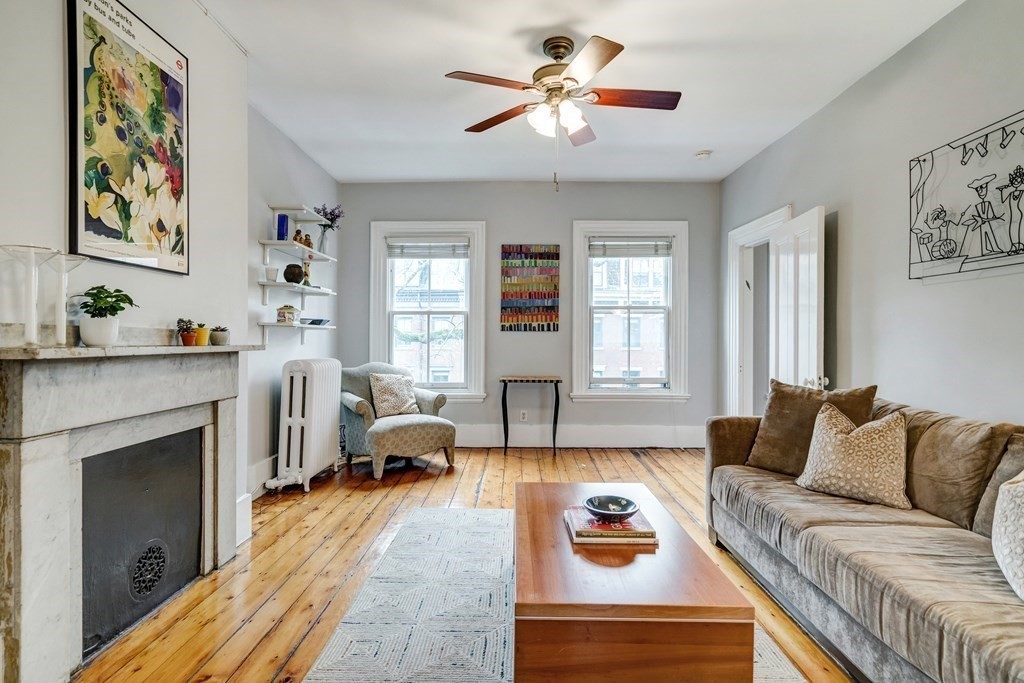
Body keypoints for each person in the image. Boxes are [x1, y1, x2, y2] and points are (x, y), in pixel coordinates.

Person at [960, 174, 1006, 256]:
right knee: (983, 235)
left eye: (982, 187)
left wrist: (993, 218)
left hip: (987, 223)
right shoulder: (978, 205)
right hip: (983, 223)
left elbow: (991, 215)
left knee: (990, 234)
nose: (980, 191)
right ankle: (985, 250)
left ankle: (994, 248)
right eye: (977, 190)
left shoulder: (988, 203)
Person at [998, 165, 1024, 255]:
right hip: (1013, 216)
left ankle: (1020, 245)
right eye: (1014, 180)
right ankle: (1014, 246)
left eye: (1018, 180)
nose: (1016, 181)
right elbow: (1003, 200)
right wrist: (1002, 191)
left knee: (1020, 229)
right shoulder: (1011, 193)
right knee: (1012, 229)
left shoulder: (1021, 192)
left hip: (1020, 215)